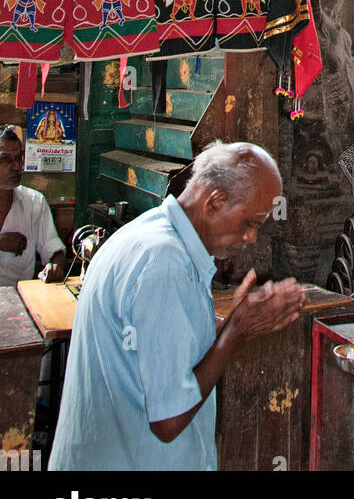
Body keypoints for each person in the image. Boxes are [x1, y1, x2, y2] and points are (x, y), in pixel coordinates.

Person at [49, 140, 307, 471]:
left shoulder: (157, 237)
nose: (251, 238)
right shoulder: (165, 263)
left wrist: (230, 323)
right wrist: (236, 333)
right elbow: (168, 419)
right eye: (250, 222)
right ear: (215, 202)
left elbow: (163, 347)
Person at [0, 125, 65, 287]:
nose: (17, 167)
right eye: (6, 160)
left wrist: (56, 266)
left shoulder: (34, 202)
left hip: (18, 301)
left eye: (19, 158)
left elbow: (53, 249)